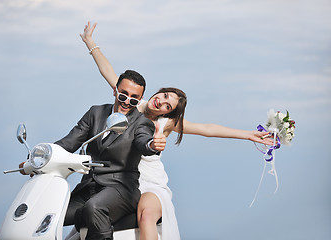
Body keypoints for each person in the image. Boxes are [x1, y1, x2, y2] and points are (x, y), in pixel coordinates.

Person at [80, 21, 273, 240]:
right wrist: (90, 41)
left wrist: (248, 134)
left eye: (167, 106)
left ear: (169, 113)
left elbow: (207, 129)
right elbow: (109, 73)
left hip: (148, 182)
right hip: (118, 180)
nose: (161, 103)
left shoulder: (165, 124)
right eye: (163, 96)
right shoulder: (133, 102)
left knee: (146, 217)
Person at [54, 69, 167, 240]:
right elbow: (69, 142)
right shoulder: (96, 113)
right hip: (88, 189)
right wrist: (40, 157)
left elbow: (143, 142)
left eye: (134, 98)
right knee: (50, 211)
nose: (127, 101)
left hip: (120, 190)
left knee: (93, 208)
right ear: (115, 91)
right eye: (123, 95)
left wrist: (152, 144)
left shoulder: (141, 123)